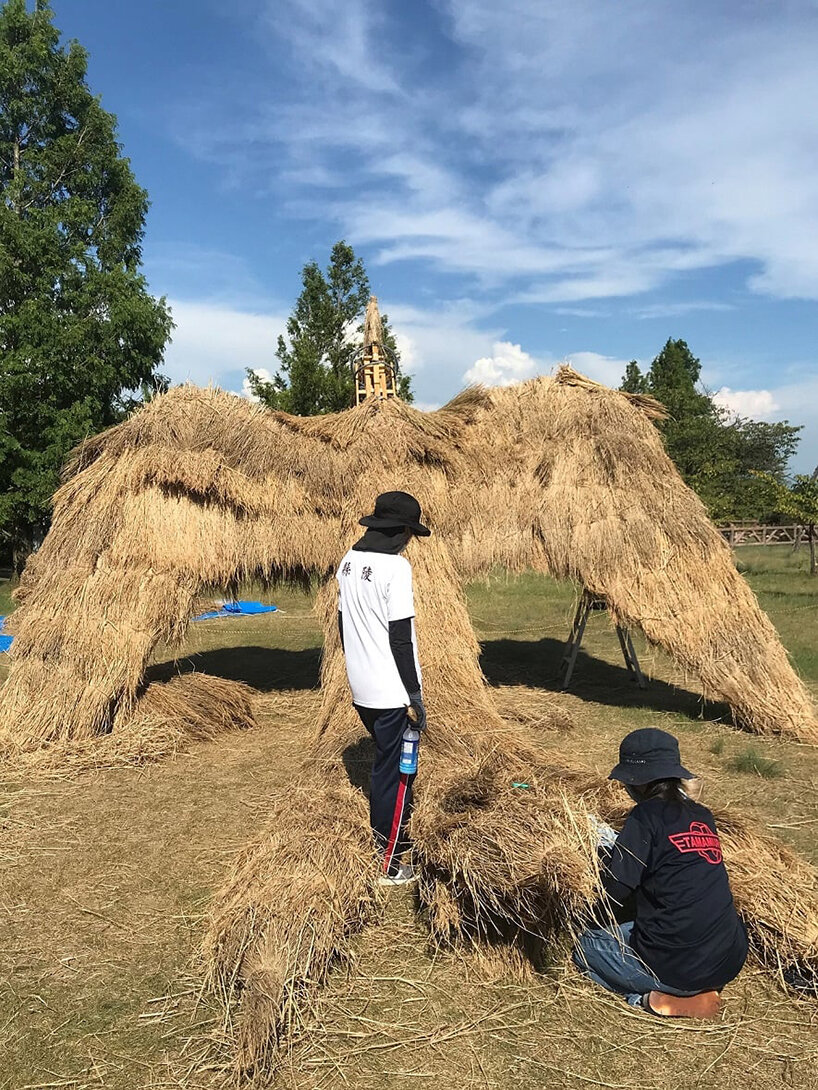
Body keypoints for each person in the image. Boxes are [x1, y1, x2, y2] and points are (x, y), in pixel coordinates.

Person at [573, 727, 748, 1016]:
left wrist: (591, 879)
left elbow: (615, 890)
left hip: (677, 965)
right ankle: (706, 988)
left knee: (588, 947)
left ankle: (662, 998)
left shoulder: (644, 816)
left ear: (637, 782)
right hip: (727, 957)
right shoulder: (702, 815)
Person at [336, 491, 430, 886]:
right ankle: (389, 862)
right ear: (401, 532)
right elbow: (401, 638)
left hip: (361, 686)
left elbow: (342, 624)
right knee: (395, 774)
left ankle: (387, 841)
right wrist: (414, 695)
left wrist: (356, 666)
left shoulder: (348, 561)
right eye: (409, 533)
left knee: (383, 767)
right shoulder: (396, 569)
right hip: (391, 692)